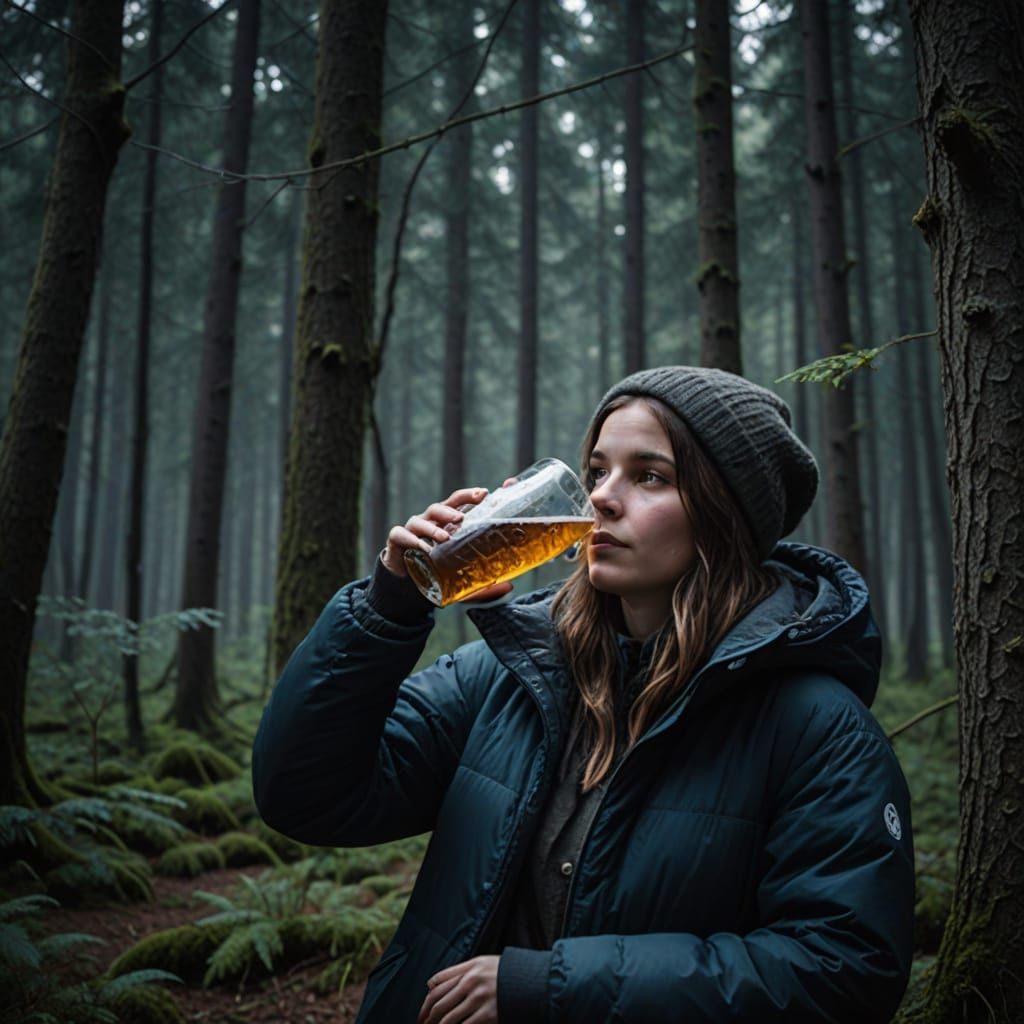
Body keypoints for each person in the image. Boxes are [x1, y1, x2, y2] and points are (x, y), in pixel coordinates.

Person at [253, 366, 915, 1023]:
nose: (601, 496)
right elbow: (306, 796)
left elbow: (842, 970)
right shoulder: (507, 676)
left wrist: (551, 990)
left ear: (726, 513)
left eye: (649, 475)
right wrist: (386, 610)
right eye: (598, 470)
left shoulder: (818, 728)